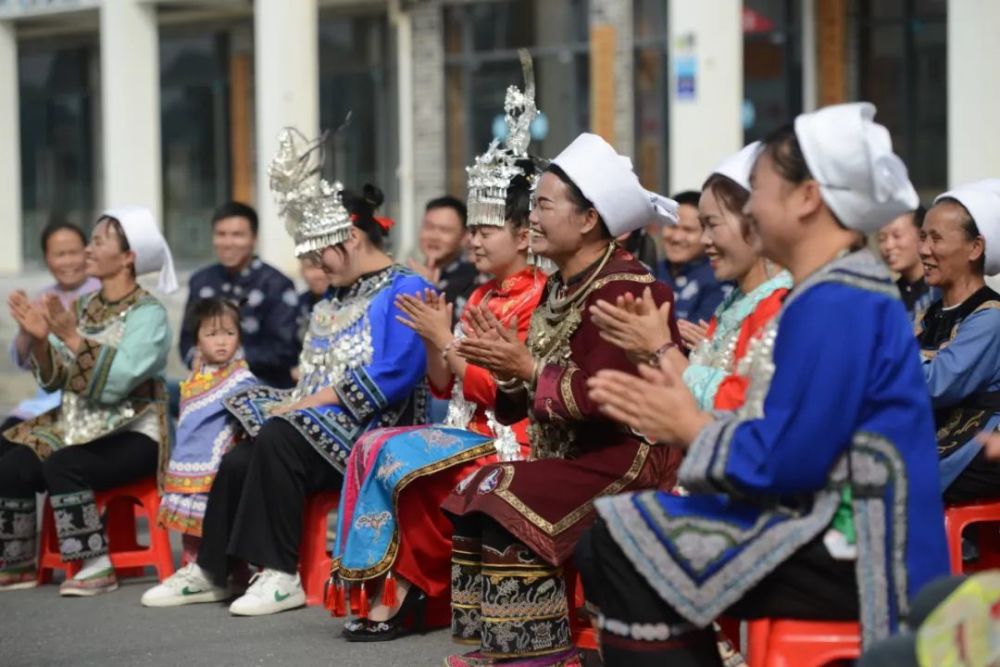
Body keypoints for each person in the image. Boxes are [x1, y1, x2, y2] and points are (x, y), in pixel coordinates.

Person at [582, 102, 950, 666]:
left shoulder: (840, 300)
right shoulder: (832, 292)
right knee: (616, 534)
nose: (749, 208)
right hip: (817, 522)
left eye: (757, 190)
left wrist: (691, 426)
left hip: (856, 549)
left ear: (807, 198)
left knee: (619, 542)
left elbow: (791, 458)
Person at [141, 129, 431, 617]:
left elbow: (394, 377)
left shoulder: (406, 289)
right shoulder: (334, 298)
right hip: (321, 425)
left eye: (321, 253)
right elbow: (313, 377)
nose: (314, 265)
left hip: (378, 432)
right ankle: (215, 569)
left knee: (277, 434)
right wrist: (287, 400)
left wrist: (306, 404)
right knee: (240, 453)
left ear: (353, 239)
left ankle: (279, 572)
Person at [440, 132, 684, 667]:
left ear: (588, 219)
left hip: (628, 457)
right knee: (482, 479)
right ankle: (513, 640)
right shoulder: (559, 286)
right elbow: (524, 398)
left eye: (544, 205)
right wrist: (508, 372)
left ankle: (538, 654)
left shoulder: (629, 288)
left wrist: (526, 367)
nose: (531, 217)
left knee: (503, 485)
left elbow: (609, 396)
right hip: (573, 453)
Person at [330, 56, 547, 642]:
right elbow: (446, 386)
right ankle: (386, 586)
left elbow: (503, 392)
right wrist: (437, 343)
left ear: (524, 236)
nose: (473, 240)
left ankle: (405, 594)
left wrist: (448, 343)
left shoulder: (538, 299)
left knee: (401, 462)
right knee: (373, 444)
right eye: (471, 230)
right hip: (466, 427)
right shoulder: (478, 292)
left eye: (484, 230)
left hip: (511, 440)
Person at [1, 206, 176, 595]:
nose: (88, 251)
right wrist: (42, 342)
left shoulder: (149, 315)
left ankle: (95, 563)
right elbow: (57, 378)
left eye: (98, 242)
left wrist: (74, 338)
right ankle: (17, 562)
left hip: (136, 432)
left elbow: (119, 380)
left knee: (65, 464)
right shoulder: (83, 308)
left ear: (128, 257)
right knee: (10, 452)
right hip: (80, 424)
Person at [591, 142, 792, 413]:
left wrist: (661, 349)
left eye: (713, 225)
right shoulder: (738, 301)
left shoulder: (777, 305)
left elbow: (745, 405)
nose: (704, 240)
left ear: (755, 222)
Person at [916, 179, 1000, 503]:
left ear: (975, 248)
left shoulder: (990, 317)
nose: (924, 249)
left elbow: (935, 384)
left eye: (935, 238)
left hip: (976, 443)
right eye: (922, 237)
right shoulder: (929, 313)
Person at [158, 298, 258, 565]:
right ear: (197, 341)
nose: (221, 341)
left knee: (219, 525)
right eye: (211, 335)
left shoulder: (241, 378)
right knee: (191, 534)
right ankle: (193, 569)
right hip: (186, 463)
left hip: (216, 469)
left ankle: (229, 571)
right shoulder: (197, 375)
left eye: (229, 333)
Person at [179, 201, 300, 389]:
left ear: (254, 239)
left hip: (262, 386)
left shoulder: (277, 284)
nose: (227, 243)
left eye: (237, 235)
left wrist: (229, 359)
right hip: (207, 381)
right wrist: (196, 359)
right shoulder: (201, 281)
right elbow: (187, 339)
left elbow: (284, 350)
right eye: (221, 234)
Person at [3, 222, 100, 436]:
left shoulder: (103, 293)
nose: (68, 262)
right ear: (47, 259)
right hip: (45, 400)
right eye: (60, 254)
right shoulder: (43, 298)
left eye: (73, 253)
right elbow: (24, 362)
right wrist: (26, 330)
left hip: (88, 403)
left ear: (87, 253)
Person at [657, 190, 730, 346]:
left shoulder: (719, 277)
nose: (677, 237)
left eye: (688, 230)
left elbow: (693, 335)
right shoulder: (649, 271)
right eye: (672, 227)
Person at [410, 196, 480, 319]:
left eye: (445, 230)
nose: (434, 236)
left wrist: (430, 291)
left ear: (464, 236)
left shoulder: (472, 279)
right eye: (429, 227)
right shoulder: (410, 273)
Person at [878, 206, 938, 323]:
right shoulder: (887, 295)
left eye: (897, 236)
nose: (888, 246)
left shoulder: (940, 291)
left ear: (922, 235)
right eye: (882, 238)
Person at [296, 255, 330, 347]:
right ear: (301, 271)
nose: (318, 275)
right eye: (311, 267)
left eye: (323, 266)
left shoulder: (345, 303)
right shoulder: (299, 303)